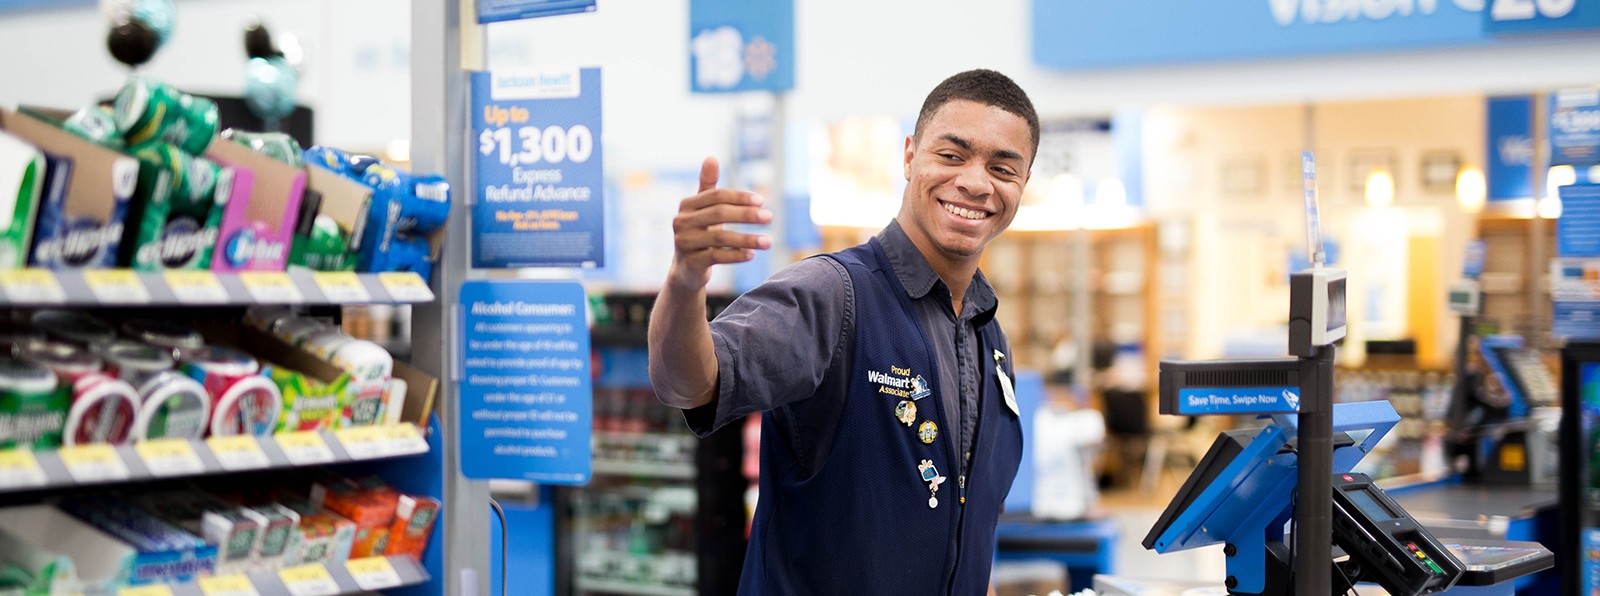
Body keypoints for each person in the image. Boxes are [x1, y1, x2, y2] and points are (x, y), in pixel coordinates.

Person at [649, 69, 1038, 594]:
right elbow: (688, 384)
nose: (975, 181)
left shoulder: (988, 338)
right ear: (909, 156)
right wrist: (683, 281)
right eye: (951, 155)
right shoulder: (834, 296)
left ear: (1022, 185)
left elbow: (965, 529)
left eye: (1002, 167)